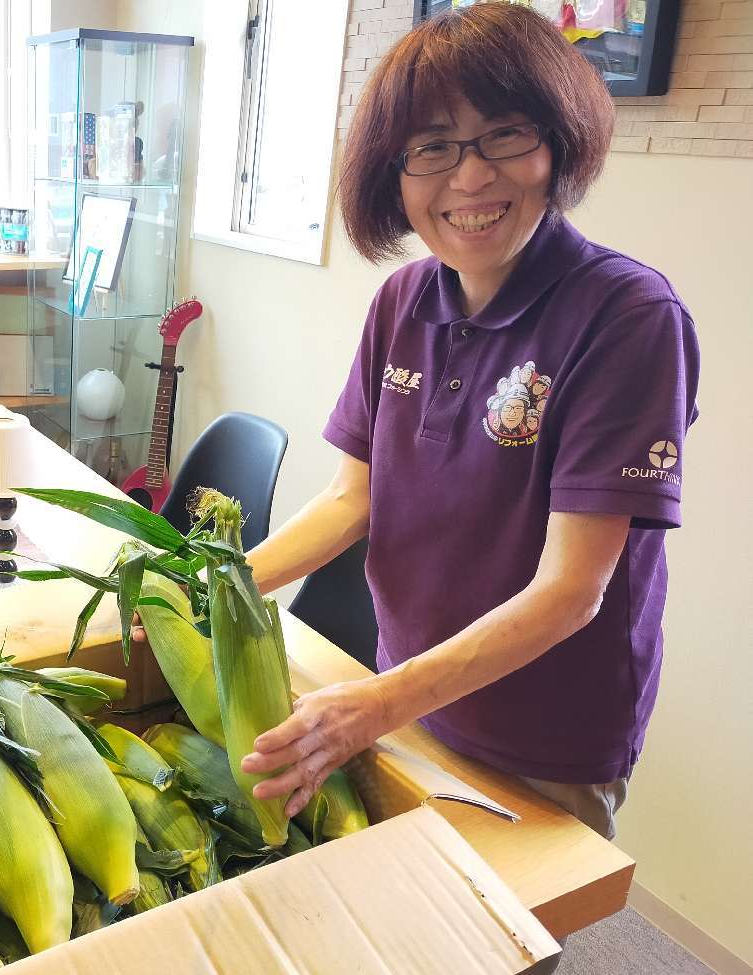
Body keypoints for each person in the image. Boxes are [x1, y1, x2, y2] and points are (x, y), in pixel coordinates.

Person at [237, 5, 700, 842]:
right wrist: (220, 584)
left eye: (504, 135)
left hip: (545, 741)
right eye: (433, 146)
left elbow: (572, 589)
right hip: (407, 690)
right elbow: (352, 499)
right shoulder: (402, 301)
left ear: (556, 144)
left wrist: (376, 704)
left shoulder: (628, 315)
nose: (472, 177)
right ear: (396, 172)